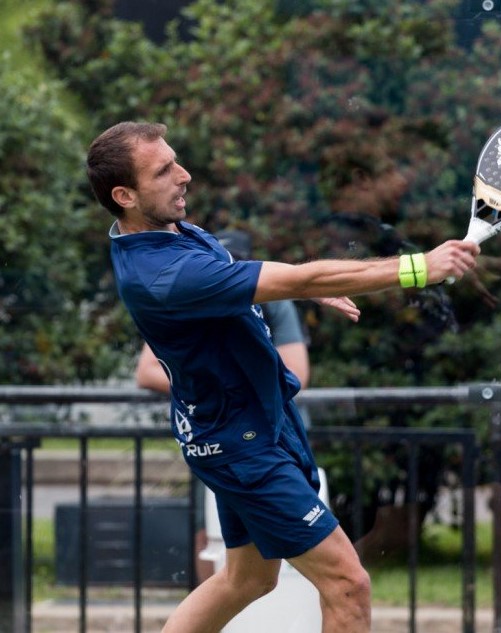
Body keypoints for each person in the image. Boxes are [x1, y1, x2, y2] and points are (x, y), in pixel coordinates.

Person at [86, 121, 479, 633]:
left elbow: (256, 280)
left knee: (247, 580)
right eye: (164, 171)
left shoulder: (169, 233)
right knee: (347, 582)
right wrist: (418, 267)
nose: (184, 175)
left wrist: (295, 288)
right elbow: (298, 275)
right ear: (125, 195)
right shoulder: (161, 274)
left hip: (247, 426)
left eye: (176, 160)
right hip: (242, 446)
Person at [135, 228, 311, 582]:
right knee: (344, 580)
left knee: (247, 580)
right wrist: (210, 384)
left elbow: (297, 371)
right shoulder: (189, 288)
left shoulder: (269, 298)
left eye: (230, 263)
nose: (221, 270)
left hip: (270, 435)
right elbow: (147, 370)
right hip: (227, 438)